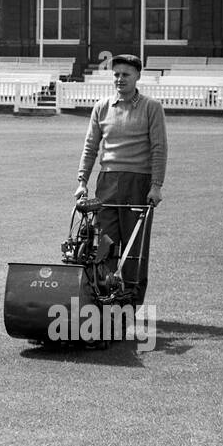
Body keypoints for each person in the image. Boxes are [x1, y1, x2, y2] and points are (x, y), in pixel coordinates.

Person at [75, 53, 167, 305]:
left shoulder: (151, 107)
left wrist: (156, 186)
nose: (120, 79)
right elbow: (90, 147)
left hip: (139, 183)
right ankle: (105, 296)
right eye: (116, 74)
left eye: (125, 74)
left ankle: (131, 303)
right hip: (107, 182)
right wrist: (82, 182)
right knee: (105, 243)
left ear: (138, 76)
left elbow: (159, 148)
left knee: (134, 247)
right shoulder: (102, 107)